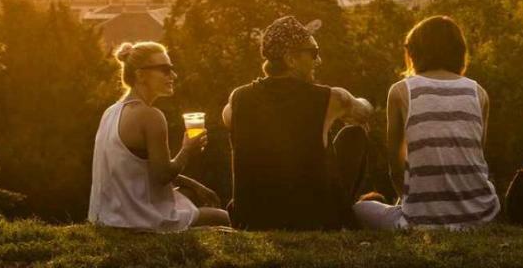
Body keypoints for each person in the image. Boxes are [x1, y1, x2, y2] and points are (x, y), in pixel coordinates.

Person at [223, 16, 374, 229]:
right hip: (312, 218)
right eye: (313, 53)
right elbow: (364, 112)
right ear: (290, 59)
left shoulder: (238, 98)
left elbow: (228, 118)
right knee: (354, 134)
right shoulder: (330, 99)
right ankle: (342, 214)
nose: (318, 60)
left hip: (253, 220)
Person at [353, 15, 500, 230]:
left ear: (414, 53)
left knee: (359, 208)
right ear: (459, 52)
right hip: (481, 215)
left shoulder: (401, 91)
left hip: (422, 221)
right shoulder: (479, 93)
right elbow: (475, 156)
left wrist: (409, 201)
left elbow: (395, 166)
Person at [88, 41, 231, 231]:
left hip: (107, 216)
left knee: (192, 194)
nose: (173, 75)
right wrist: (187, 150)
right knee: (225, 217)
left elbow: (139, 169)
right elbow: (162, 175)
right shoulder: (151, 116)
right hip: (136, 221)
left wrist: (195, 185)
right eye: (164, 69)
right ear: (141, 75)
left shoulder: (111, 112)